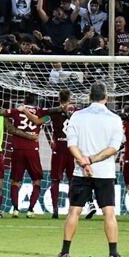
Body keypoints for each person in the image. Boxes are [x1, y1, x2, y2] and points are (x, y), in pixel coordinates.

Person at [58, 81, 125, 257]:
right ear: (106, 97)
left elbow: (71, 144)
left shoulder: (77, 116)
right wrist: (92, 161)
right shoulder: (114, 119)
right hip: (104, 172)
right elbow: (113, 148)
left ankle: (65, 251)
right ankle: (113, 253)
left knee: (74, 211)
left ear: (89, 97)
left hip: (81, 171)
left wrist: (84, 162)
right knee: (109, 212)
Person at [5, 94, 45, 217]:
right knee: (37, 180)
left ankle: (16, 209)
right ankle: (30, 210)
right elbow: (45, 118)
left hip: (17, 149)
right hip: (32, 149)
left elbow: (3, 113)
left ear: (24, 101)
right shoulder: (40, 111)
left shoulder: (17, 110)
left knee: (15, 181)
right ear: (35, 102)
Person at [45, 89, 75, 220]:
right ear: (70, 98)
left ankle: (55, 209)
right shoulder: (76, 111)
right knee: (73, 180)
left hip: (59, 147)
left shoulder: (53, 112)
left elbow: (44, 125)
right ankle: (72, 209)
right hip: (72, 148)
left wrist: (50, 140)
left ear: (58, 99)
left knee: (55, 180)